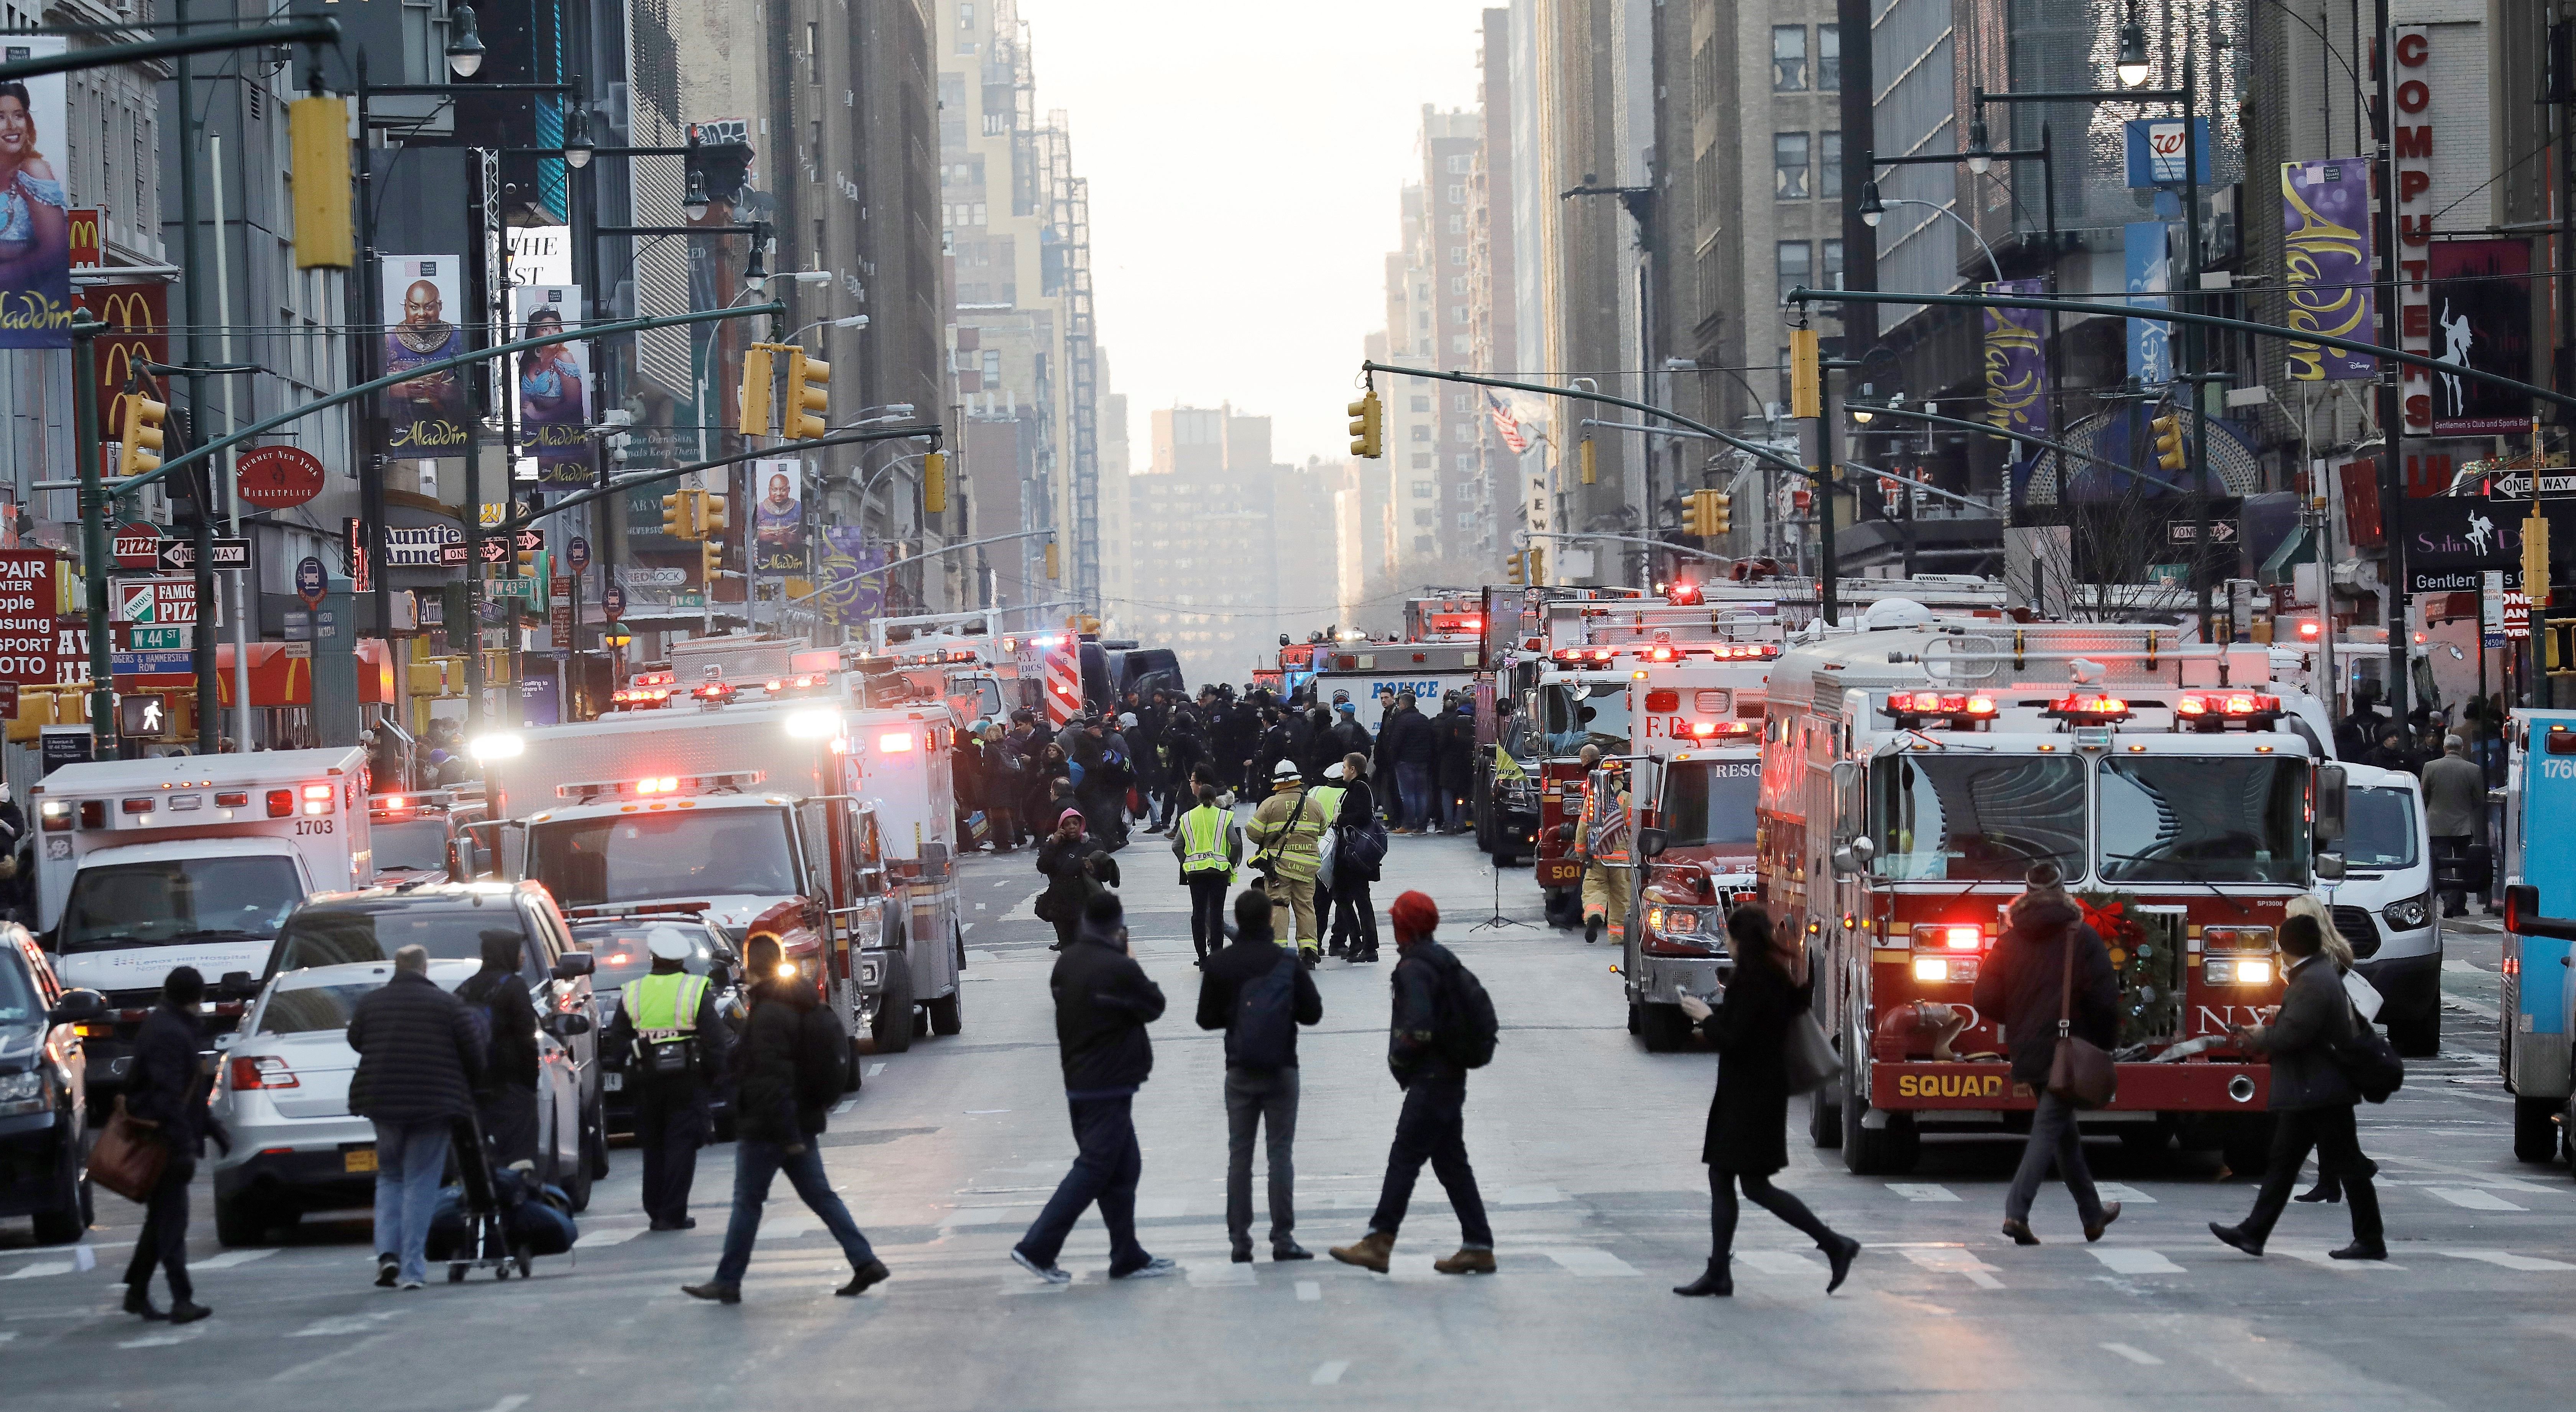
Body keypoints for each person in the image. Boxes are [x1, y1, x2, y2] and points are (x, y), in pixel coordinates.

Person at [683, 936, 890, 1302]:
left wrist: (786, 1133)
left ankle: (728, 1280)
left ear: (751, 965)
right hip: (796, 1123)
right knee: (822, 1198)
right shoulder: (797, 1001)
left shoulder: (769, 1014)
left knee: (747, 1202)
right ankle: (865, 1261)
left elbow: (771, 1077)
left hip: (770, 1128)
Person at [1672, 909, 1860, 1296]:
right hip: (1758, 1095)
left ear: (1741, 941)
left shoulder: (1752, 980)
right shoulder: (1772, 976)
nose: (1726, 945)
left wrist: (1705, 1017)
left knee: (1745, 1182)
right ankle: (1722, 1270)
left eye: (1728, 938)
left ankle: (1832, 1244)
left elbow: (1736, 1039)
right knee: (1736, 1180)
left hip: (1748, 1099)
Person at [1329, 891, 1495, 1275]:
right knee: (1452, 1162)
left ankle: (1379, 1241)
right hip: (1451, 1077)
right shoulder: (1442, 959)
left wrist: (1399, 1058)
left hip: (1432, 1080)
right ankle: (1478, 1244)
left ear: (1403, 925)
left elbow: (1418, 1027)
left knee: (1404, 1156)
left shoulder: (1414, 968)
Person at [1012, 893, 1175, 1283]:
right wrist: (1129, 956)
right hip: (1109, 1082)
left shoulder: (1067, 962)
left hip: (1080, 1079)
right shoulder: (1119, 967)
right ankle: (1037, 1246)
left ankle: (1127, 1254)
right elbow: (1154, 1006)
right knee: (1095, 1167)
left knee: (1125, 1166)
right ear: (1119, 925)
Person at [2210, 912, 2388, 1261]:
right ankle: (2253, 1233)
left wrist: (2258, 1037)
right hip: (2313, 1089)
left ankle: (2370, 1239)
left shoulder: (2312, 982)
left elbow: (2294, 1035)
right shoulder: (2315, 976)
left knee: (2347, 1166)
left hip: (2319, 1090)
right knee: (2284, 1163)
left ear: (2285, 946)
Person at [1970, 863, 2120, 1246]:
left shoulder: (2008, 940)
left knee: (2061, 1131)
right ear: (2064, 890)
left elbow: (1983, 997)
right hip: (2068, 1048)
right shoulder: (2081, 937)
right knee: (2048, 1130)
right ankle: (2016, 1213)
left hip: (2028, 1046)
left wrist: (2019, 1020)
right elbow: (2105, 999)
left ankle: (2092, 1215)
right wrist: (2104, 1044)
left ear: (2026, 892)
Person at [347, 944, 485, 1290]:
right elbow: (474, 1053)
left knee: (390, 1178)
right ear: (425, 970)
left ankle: (387, 1257)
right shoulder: (449, 1005)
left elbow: (357, 1040)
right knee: (420, 1182)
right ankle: (412, 1269)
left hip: (382, 1103)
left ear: (397, 968)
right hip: (433, 1104)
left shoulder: (370, 1003)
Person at [1196, 890, 1324, 1262]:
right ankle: (1283, 1239)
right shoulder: (1286, 961)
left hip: (1239, 1069)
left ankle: (1240, 1240)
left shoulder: (1221, 964)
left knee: (1240, 1156)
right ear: (1270, 919)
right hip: (1282, 1066)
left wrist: (1237, 1018)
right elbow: (1313, 1013)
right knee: (1279, 1154)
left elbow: (1206, 1019)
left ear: (1237, 919)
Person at [120, 967, 227, 1323]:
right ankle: (182, 1298)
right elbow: (169, 1096)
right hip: (164, 1143)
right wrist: (183, 1144)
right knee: (172, 1222)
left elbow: (186, 1094)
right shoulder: (171, 1033)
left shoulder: (164, 1025)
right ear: (196, 998)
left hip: (163, 1138)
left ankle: (137, 1292)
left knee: (161, 1220)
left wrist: (213, 1130)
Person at [606, 928, 730, 1230]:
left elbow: (617, 1042)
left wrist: (633, 1063)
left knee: (653, 1145)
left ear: (652, 957)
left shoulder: (632, 992)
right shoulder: (696, 989)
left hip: (646, 1080)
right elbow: (716, 1041)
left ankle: (655, 1209)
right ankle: (672, 1213)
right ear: (682, 958)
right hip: (688, 1081)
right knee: (682, 1146)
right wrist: (711, 1078)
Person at [455, 930, 541, 1170]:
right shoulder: (514, 987)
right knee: (519, 1158)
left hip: (475, 1087)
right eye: (519, 951)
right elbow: (527, 1039)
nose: (523, 957)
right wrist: (530, 1084)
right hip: (512, 1085)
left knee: (484, 1157)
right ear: (507, 953)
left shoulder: (466, 988)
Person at [1247, 759, 1328, 965]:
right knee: (1306, 907)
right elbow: (1322, 830)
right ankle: (1309, 949)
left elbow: (1253, 833)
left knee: (1279, 906)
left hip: (1279, 868)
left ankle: (1278, 952)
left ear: (1278, 783)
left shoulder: (1270, 804)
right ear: (1297, 781)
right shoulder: (1314, 805)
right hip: (1308, 867)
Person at [1171, 775, 1242, 965]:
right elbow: (1235, 843)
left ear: (1199, 798)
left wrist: (1186, 863)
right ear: (1214, 799)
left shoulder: (1187, 818)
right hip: (1219, 872)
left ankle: (1202, 958)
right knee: (1217, 914)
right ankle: (1217, 956)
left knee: (1199, 914)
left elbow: (1176, 845)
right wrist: (1231, 863)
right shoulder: (1224, 816)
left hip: (1195, 873)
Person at [1572, 752, 1635, 947]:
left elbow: (1583, 827)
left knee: (1594, 890)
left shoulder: (1593, 799)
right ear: (1621, 776)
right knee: (1621, 897)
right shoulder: (1628, 799)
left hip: (1598, 856)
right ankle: (1618, 935)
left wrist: (1582, 853)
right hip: (1622, 861)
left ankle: (1595, 914)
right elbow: (1634, 830)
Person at [1038, 807, 1119, 951]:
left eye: (1075, 824)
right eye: (1068, 824)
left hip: (1083, 904)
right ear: (1061, 827)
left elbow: (1106, 875)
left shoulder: (1091, 846)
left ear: (1081, 825)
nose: (1072, 828)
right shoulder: (1055, 845)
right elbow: (1043, 867)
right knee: (1067, 946)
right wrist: (1053, 844)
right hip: (1060, 904)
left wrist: (1093, 869)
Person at [2422, 734, 2486, 917]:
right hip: (2463, 826)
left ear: (2445, 748)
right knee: (2463, 865)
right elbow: (2479, 799)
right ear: (2462, 748)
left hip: (2437, 824)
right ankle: (2459, 903)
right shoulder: (2473, 770)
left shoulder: (2431, 767)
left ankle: (2449, 900)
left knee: (2442, 864)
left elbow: (2423, 793)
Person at [1327, 753, 1383, 963]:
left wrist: (1341, 819)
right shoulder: (1360, 787)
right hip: (1352, 855)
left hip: (1355, 855)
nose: (1342, 771)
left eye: (1344, 767)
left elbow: (1363, 816)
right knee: (1344, 896)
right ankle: (1359, 941)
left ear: (1353, 770)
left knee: (1359, 899)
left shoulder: (1359, 788)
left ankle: (1368, 946)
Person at [1382, 694, 1439, 833]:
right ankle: (1422, 826)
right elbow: (1432, 742)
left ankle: (1408, 824)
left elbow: (1396, 743)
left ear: (1403, 705)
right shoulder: (1424, 720)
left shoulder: (1402, 721)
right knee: (1422, 794)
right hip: (1423, 762)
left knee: (1408, 795)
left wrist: (1392, 760)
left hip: (1405, 762)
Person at [1435, 695, 1477, 833]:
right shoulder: (1476, 720)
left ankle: (1449, 824)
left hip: (1449, 763)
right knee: (1463, 794)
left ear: (1458, 704)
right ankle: (1460, 824)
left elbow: (1442, 744)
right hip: (1467, 762)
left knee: (1447, 793)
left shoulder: (1450, 721)